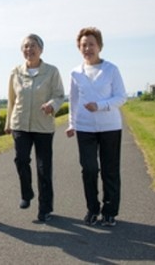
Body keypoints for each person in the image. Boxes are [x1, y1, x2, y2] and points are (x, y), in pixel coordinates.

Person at [66, 27, 127, 227]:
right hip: (85, 128)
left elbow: (121, 97)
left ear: (99, 46)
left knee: (110, 170)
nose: (87, 48)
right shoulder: (75, 72)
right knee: (89, 169)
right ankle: (92, 209)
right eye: (83, 45)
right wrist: (71, 124)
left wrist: (100, 106)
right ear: (79, 48)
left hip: (110, 127)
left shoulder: (111, 69)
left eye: (91, 44)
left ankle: (109, 211)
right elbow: (73, 101)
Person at [5, 34, 65, 222]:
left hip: (43, 125)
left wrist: (52, 105)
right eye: (25, 46)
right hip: (20, 125)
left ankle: (45, 207)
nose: (29, 50)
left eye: (33, 46)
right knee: (21, 160)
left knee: (43, 168)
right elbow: (11, 100)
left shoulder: (51, 71)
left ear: (41, 49)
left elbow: (59, 95)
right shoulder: (15, 72)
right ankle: (27, 193)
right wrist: (8, 124)